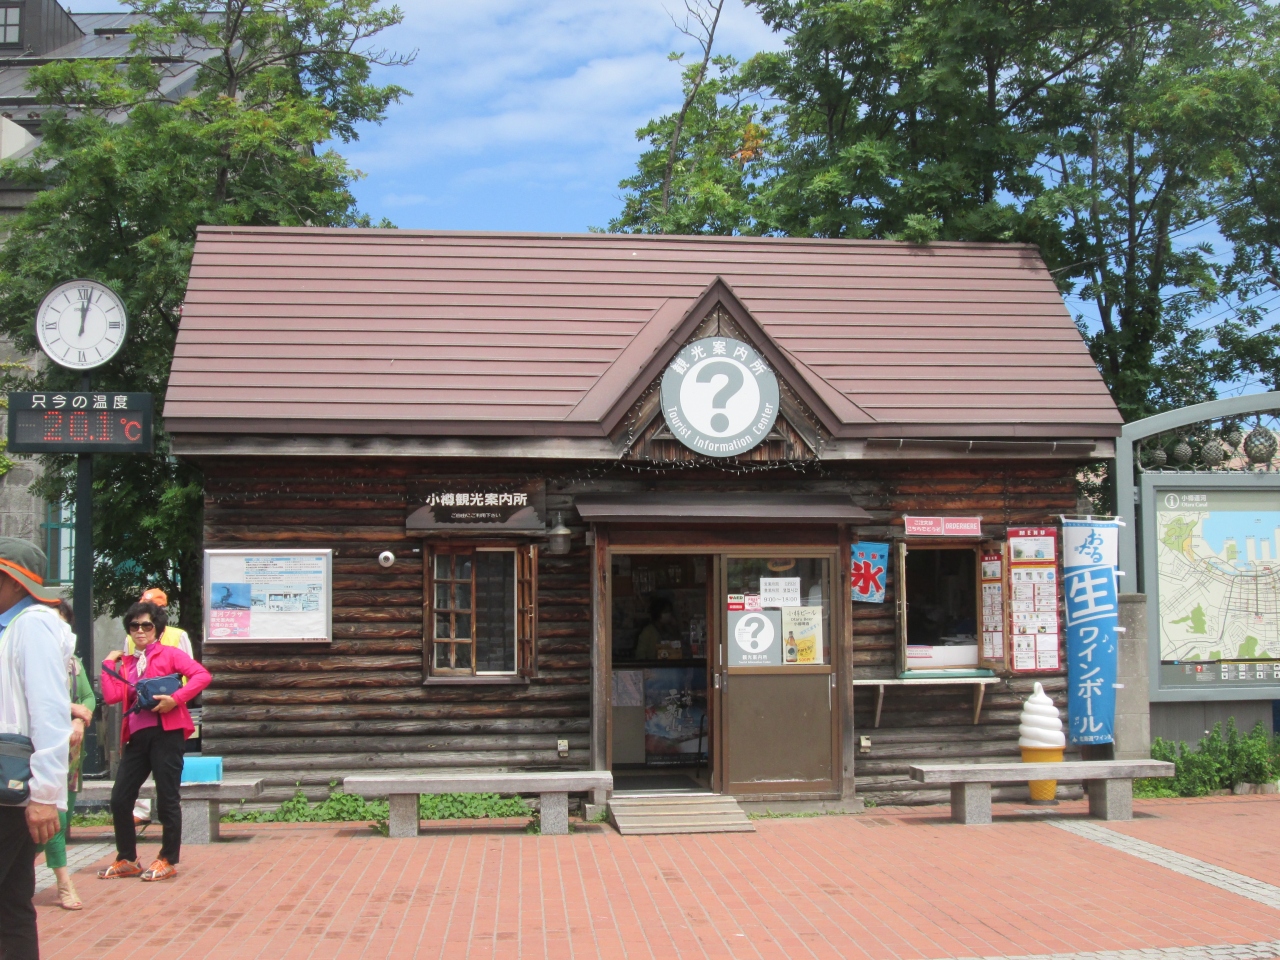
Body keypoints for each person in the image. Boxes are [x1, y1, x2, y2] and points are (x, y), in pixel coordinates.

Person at [98, 600, 210, 883]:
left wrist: (176, 699)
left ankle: (168, 859)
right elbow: (112, 696)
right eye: (134, 626)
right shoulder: (127, 663)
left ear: (157, 629)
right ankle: (127, 858)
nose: (140, 631)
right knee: (120, 798)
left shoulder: (170, 654)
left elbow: (202, 675)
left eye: (146, 625)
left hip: (167, 734)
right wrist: (108, 664)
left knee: (167, 798)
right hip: (137, 738)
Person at [0, 538, 72, 960]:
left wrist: (45, 795)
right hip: (11, 785)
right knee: (11, 906)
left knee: (11, 907)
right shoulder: (13, 627)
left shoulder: (33, 625)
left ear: (14, 581)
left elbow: (49, 711)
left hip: (13, 788)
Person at [36, 601, 95, 911]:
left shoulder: (73, 664)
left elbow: (88, 697)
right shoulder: (31, 661)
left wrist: (78, 720)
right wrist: (70, 708)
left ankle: (19, 875)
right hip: (38, 750)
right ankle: (63, 883)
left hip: (70, 753)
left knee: (62, 816)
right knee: (53, 819)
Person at [127, 588, 192, 825]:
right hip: (141, 712)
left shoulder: (177, 635)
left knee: (166, 776)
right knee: (137, 770)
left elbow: (190, 672)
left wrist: (177, 699)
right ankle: (141, 809)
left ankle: (167, 823)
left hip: (169, 708)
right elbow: (128, 671)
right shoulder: (131, 636)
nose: (141, 628)